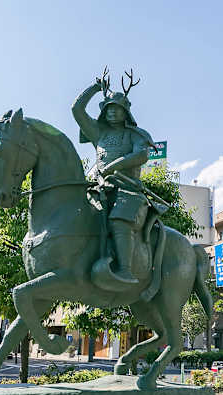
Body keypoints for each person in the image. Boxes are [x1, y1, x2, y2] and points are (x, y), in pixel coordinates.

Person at [72, 69, 154, 284]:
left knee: (119, 220)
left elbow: (142, 155)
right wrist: (95, 87)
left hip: (128, 190)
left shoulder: (136, 135)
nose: (112, 112)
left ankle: (125, 271)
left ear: (125, 112)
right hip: (99, 187)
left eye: (117, 108)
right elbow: (77, 110)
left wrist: (114, 166)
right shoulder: (98, 133)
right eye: (108, 108)